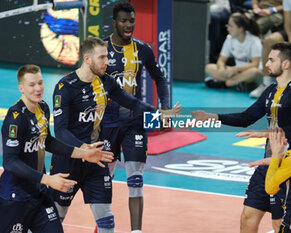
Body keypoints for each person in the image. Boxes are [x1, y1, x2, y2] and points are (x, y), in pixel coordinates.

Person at [50, 37, 180, 233]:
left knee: (107, 222)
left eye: (107, 57)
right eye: (102, 57)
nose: (107, 62)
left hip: (97, 161)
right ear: (87, 59)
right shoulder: (65, 87)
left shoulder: (106, 81)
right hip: (70, 160)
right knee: (55, 219)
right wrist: (83, 149)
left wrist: (157, 113)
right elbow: (59, 130)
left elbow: (132, 103)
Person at [192, 42, 291, 233]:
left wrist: (265, 133)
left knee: (279, 225)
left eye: (272, 60)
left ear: (286, 64)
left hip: (286, 169)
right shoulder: (271, 91)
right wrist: (213, 116)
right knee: (248, 216)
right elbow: (246, 117)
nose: (267, 63)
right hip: (267, 165)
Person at [0, 64, 113, 233]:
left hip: (39, 195)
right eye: (32, 85)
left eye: (40, 83)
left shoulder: (43, 108)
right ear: (21, 88)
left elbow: (49, 142)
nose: (38, 89)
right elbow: (9, 163)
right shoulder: (15, 119)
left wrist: (84, 153)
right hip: (15, 197)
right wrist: (47, 179)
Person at [100, 1, 170, 232]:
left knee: (136, 181)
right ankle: (103, 227)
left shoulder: (142, 49)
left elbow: (160, 78)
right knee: (103, 182)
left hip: (135, 122)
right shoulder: (101, 50)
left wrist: (165, 108)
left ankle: (136, 230)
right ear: (114, 23)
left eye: (132, 20)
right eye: (124, 21)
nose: (129, 25)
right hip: (107, 124)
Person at [205, 12, 263, 90]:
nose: (228, 28)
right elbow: (221, 60)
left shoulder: (254, 40)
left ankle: (226, 83)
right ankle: (238, 83)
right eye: (228, 25)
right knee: (209, 67)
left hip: (249, 71)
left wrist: (236, 69)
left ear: (240, 28)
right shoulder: (229, 38)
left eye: (231, 26)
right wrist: (222, 68)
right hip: (235, 72)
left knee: (255, 72)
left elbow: (255, 64)